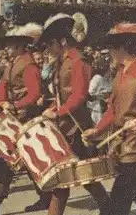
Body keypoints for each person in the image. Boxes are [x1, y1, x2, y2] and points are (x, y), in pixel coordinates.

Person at [83, 22, 136, 215]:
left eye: (112, 47)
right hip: (121, 144)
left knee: (122, 197)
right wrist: (97, 130)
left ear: (123, 47)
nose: (109, 51)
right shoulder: (120, 73)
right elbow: (113, 110)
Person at [0, 23, 50, 215]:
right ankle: (46, 198)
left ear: (19, 46)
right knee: (23, 160)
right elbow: (0, 91)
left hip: (28, 117)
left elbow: (34, 94)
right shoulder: (12, 64)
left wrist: (15, 105)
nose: (6, 49)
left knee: (12, 160)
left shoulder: (29, 65)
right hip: (16, 116)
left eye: (9, 45)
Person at [38, 13, 111, 215]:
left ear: (62, 41)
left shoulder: (78, 60)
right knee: (79, 176)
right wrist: (53, 109)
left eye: (51, 45)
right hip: (65, 125)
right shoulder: (61, 62)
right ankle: (109, 207)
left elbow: (79, 95)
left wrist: (58, 112)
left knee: (71, 177)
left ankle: (109, 207)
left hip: (77, 126)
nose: (49, 50)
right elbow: (63, 96)